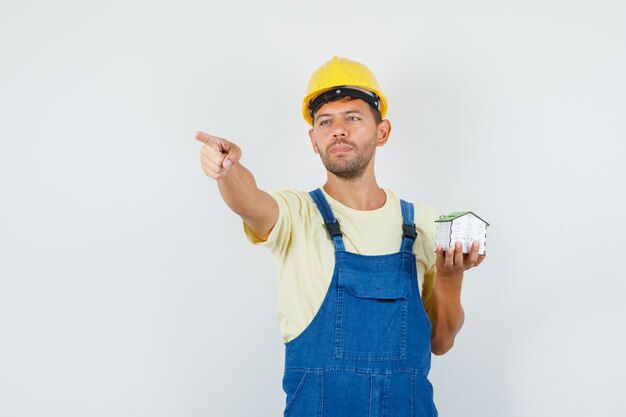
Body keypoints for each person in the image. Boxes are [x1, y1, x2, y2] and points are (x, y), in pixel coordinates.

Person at [195, 56, 485, 417]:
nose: (338, 130)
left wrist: (450, 276)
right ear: (313, 140)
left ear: (382, 132)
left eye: (353, 117)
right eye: (325, 121)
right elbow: (250, 202)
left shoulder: (424, 223)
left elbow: (440, 341)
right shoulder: (297, 214)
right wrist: (228, 170)